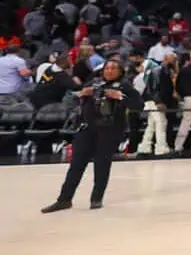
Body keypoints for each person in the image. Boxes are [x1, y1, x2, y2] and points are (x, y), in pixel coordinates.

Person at [41, 59, 143, 212]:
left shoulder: (125, 86)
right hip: (87, 129)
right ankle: (64, 199)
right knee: (76, 165)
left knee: (102, 165)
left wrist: (120, 97)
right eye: (107, 68)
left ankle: (96, 199)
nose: (109, 71)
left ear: (120, 71)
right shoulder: (94, 83)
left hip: (109, 131)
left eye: (114, 68)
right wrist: (82, 94)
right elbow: (74, 100)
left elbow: (138, 105)